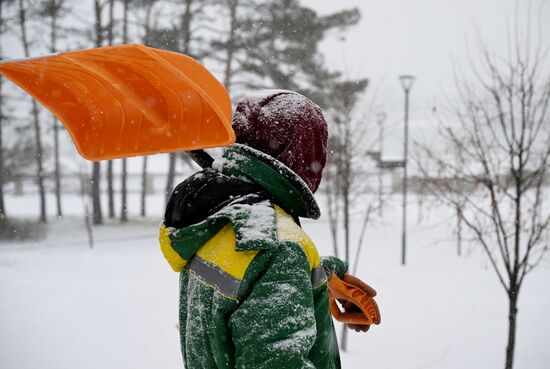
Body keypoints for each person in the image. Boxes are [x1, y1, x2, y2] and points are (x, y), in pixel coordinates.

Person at [160, 90, 376, 369]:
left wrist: (318, 278)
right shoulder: (278, 250)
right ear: (301, 156)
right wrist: (291, 272)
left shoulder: (220, 216)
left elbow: (246, 278)